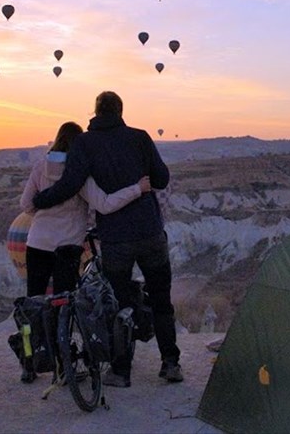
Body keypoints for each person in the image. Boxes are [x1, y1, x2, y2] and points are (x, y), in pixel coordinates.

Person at [33, 91, 181, 387]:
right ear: (120, 111)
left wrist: (41, 200)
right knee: (161, 299)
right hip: (150, 232)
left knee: (119, 305)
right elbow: (162, 179)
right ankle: (170, 363)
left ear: (96, 111)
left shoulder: (85, 143)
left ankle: (121, 371)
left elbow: (70, 184)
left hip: (115, 239)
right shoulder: (140, 137)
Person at [17, 120, 150, 384]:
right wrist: (138, 189)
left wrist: (48, 213)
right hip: (67, 247)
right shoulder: (80, 173)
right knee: (63, 308)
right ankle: (62, 366)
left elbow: (26, 205)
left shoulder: (40, 166)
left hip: (37, 244)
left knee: (33, 305)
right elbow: (105, 204)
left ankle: (29, 364)